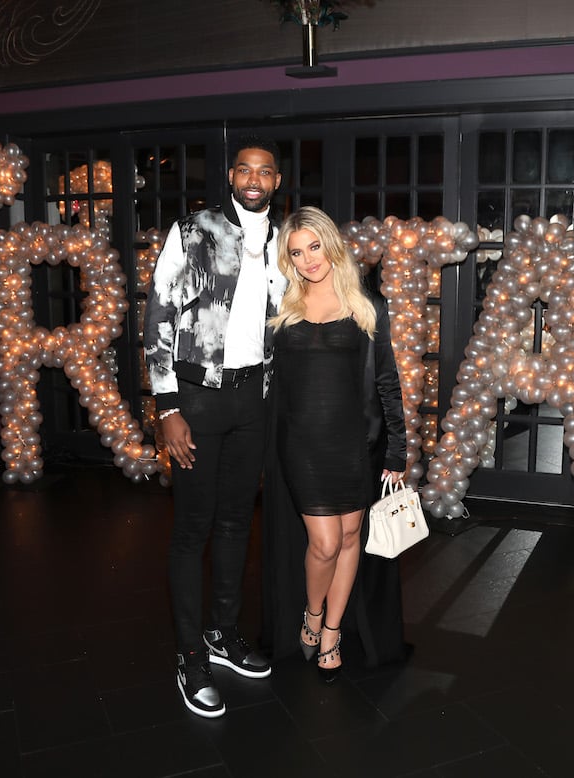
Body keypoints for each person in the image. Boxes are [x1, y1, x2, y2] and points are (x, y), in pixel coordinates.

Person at [142, 135, 287, 718]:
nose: (254, 180)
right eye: (245, 170)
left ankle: (222, 636)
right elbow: (158, 315)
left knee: (234, 524)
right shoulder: (192, 230)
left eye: (266, 172)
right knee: (192, 529)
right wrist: (167, 408)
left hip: (253, 398)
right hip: (196, 399)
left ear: (276, 182)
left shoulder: (282, 239)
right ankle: (188, 656)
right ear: (231, 176)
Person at [261, 206, 408, 682]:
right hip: (302, 444)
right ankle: (311, 613)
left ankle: (331, 632)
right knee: (324, 543)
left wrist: (397, 450)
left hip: (354, 445)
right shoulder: (281, 309)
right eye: (296, 252)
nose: (307, 260)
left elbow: (387, 382)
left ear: (330, 244)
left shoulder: (367, 307)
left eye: (314, 247)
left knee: (350, 539)